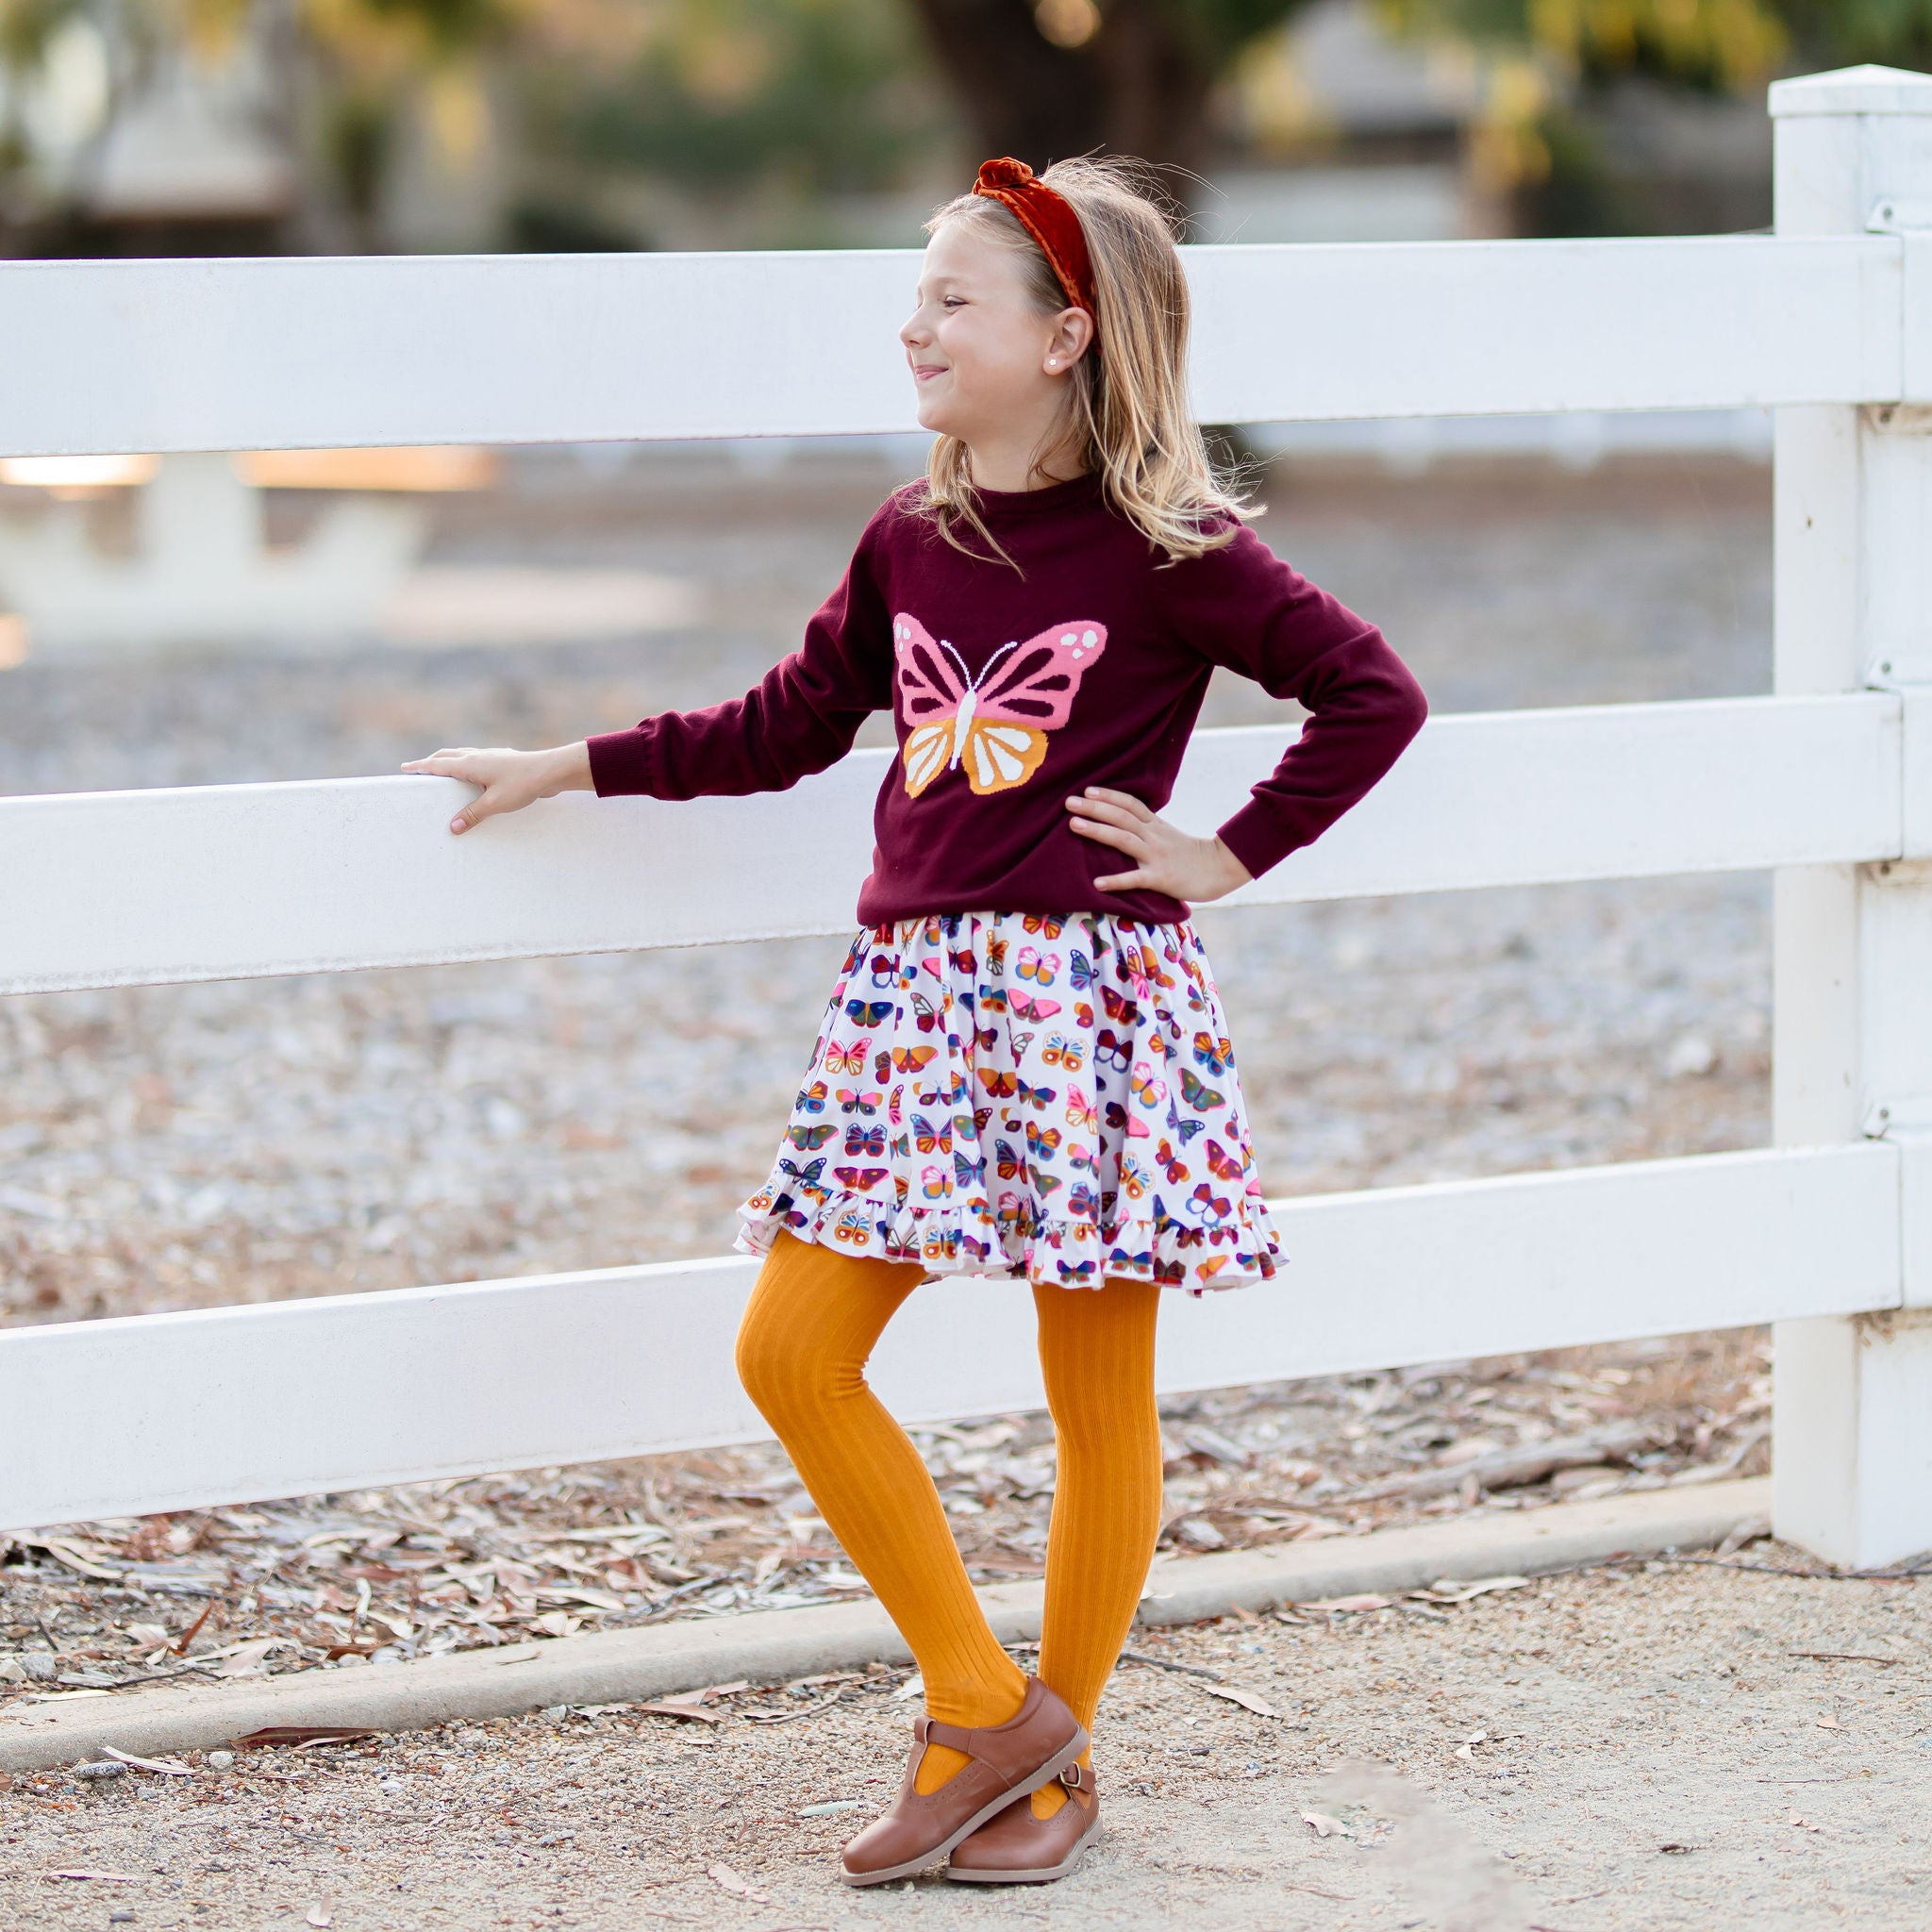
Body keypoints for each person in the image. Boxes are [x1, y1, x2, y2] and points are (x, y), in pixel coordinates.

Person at [402, 154, 1428, 1889]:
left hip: (1095, 1003)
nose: (916, 325)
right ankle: (981, 1702)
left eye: (954, 300)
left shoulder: (1175, 550)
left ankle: (1051, 1774)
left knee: (1100, 1397)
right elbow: (791, 720)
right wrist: (569, 761)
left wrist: (1226, 853)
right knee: (793, 1353)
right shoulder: (910, 536)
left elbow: (1371, 692)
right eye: (920, 295)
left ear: (1066, 337)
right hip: (915, 1007)